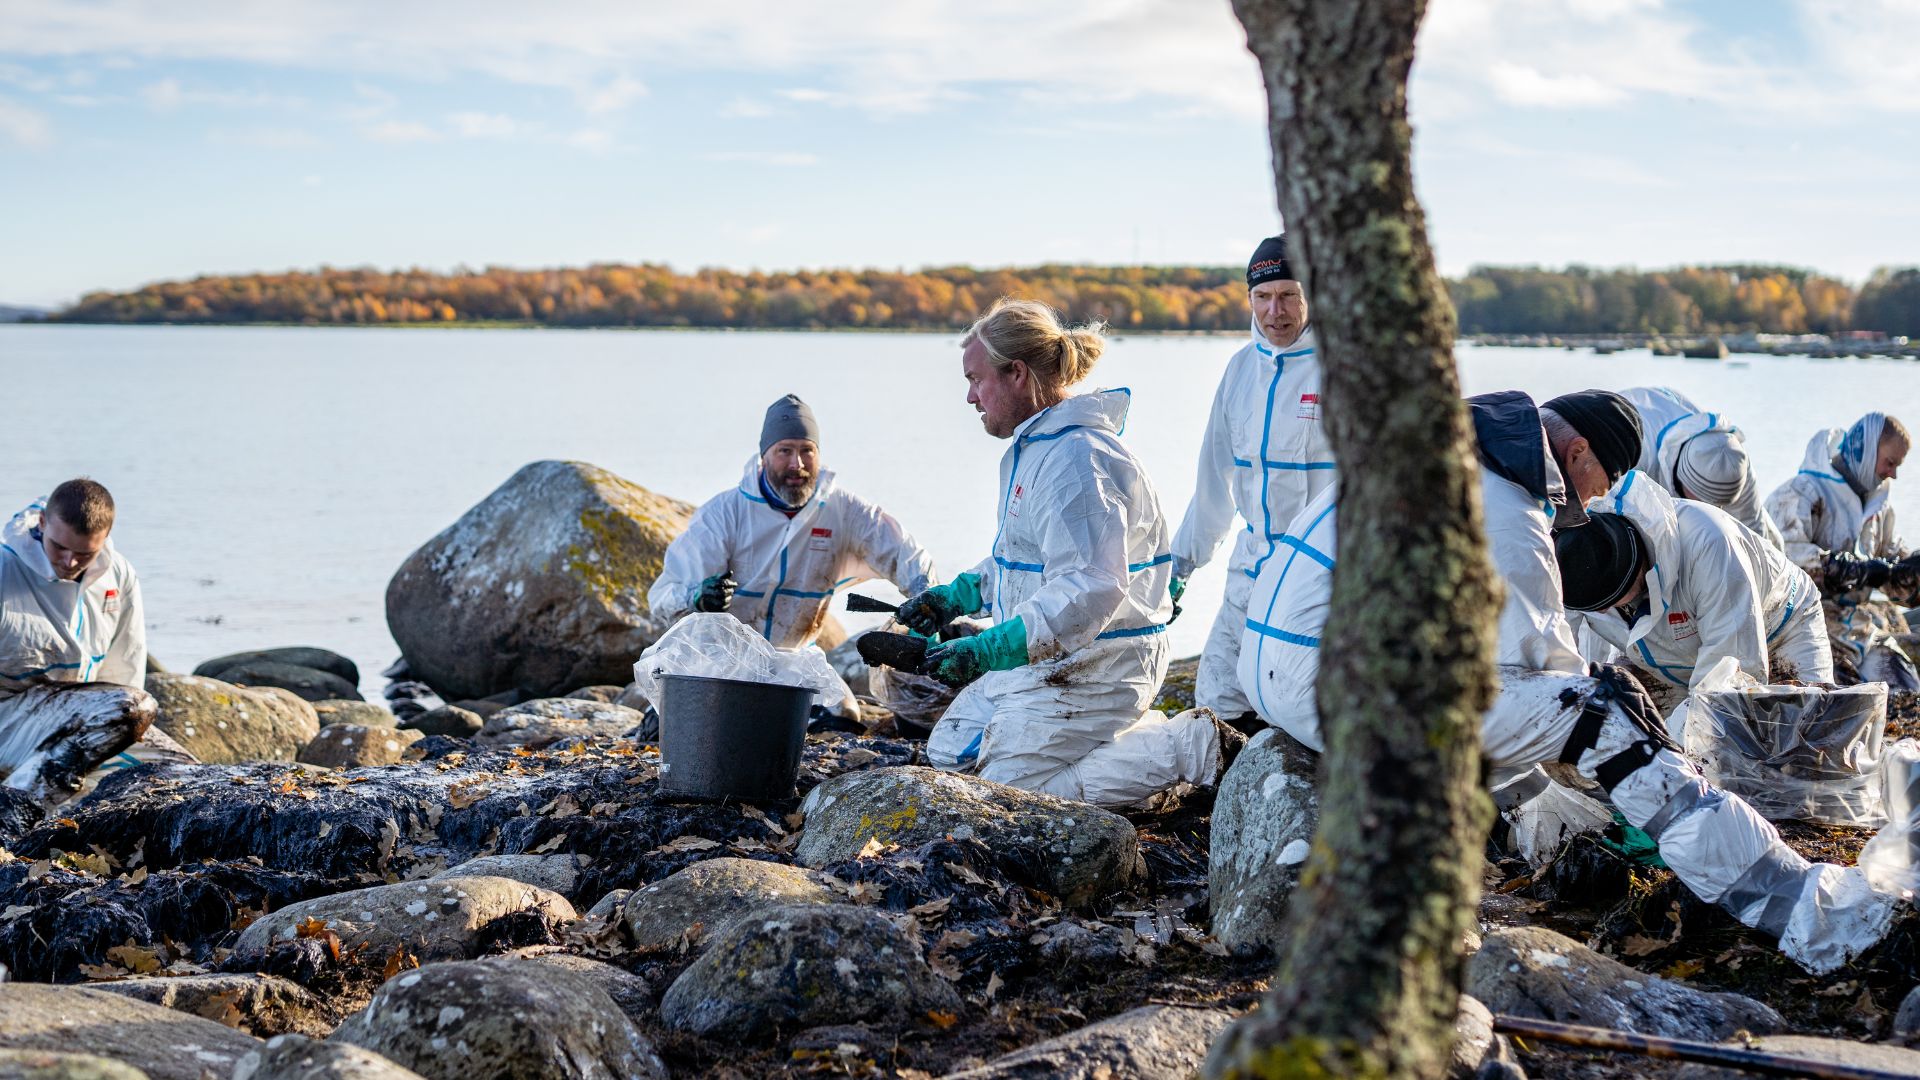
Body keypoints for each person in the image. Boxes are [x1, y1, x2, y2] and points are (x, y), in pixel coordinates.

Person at [1237, 392, 1891, 975]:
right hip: (1325, 683)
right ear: (1576, 452)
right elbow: (1548, 682)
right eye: (1599, 485)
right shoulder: (1509, 513)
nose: (1591, 505)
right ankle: (1802, 910)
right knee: (1607, 711)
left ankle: (1508, 823)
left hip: (1274, 663)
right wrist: (1618, 746)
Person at [903, 298, 1229, 808]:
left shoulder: (1077, 459)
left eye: (975, 379)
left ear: (1016, 373)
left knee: (999, 795)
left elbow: (1090, 588)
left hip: (1101, 665)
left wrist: (989, 649)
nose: (969, 396)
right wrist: (954, 597)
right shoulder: (1038, 448)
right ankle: (1111, 746)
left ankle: (1186, 747)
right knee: (948, 758)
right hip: (1050, 659)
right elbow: (1024, 560)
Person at [1169, 236, 1334, 729]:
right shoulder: (1239, 371)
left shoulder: (1344, 370)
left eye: (1289, 295)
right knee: (1216, 698)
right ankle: (1225, 802)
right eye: (1263, 297)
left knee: (1296, 702)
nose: (1275, 311)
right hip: (1252, 563)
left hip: (1320, 572)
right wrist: (1180, 565)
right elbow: (1214, 481)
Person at [649, 393, 938, 655]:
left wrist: (928, 602)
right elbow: (661, 597)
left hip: (795, 662)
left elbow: (907, 555)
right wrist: (696, 597)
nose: (796, 464)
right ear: (764, 457)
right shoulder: (723, 513)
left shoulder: (845, 511)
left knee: (845, 714)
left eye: (807, 450)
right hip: (719, 660)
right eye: (784, 451)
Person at [1556, 475, 1832, 699]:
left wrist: (1687, 746)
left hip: (1782, 627)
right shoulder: (1568, 563)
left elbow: (1731, 672)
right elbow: (1560, 662)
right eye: (1598, 608)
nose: (1605, 612)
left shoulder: (1708, 545)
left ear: (1640, 566)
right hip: (1670, 656)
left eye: (1613, 602)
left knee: (1803, 736)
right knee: (1628, 727)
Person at [0, 480, 156, 804]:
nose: (69, 562)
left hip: (87, 716)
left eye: (84, 553)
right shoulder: (5, 569)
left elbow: (124, 670)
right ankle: (14, 813)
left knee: (172, 773)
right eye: (59, 547)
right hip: (8, 716)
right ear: (42, 523)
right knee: (125, 710)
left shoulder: (120, 575)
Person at [1766, 413, 1919, 685]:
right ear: (1867, 448)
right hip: (1803, 629)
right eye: (1890, 462)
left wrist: (1910, 571)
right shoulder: (1801, 492)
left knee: (1905, 688)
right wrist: (1851, 570)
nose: (1893, 474)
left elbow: (1893, 563)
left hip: (1859, 629)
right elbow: (1778, 561)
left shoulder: (1879, 508)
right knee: (1840, 700)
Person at [1620, 386, 1783, 549]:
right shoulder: (1638, 456)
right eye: (1705, 501)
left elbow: (1754, 531)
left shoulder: (1734, 460)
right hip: (1618, 432)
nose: (1716, 508)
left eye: (1720, 505)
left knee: (1769, 542)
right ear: (1681, 480)